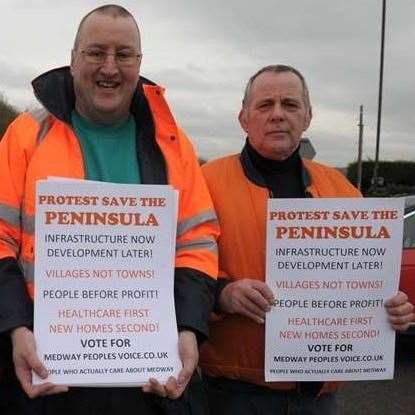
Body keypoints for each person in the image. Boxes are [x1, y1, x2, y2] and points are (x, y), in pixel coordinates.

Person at [0, 4, 219, 414]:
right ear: (72, 58)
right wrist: (14, 327)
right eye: (96, 52)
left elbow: (197, 242)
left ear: (139, 62)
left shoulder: (173, 145)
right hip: (45, 371)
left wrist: (189, 328)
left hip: (147, 382)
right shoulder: (26, 135)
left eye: (124, 55)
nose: (110, 67)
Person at [199, 64, 414, 415]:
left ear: (308, 117)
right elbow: (176, 272)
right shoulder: (204, 183)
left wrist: (392, 308)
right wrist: (223, 295)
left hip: (318, 399)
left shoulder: (342, 191)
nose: (278, 115)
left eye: (291, 104)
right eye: (265, 105)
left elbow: (367, 282)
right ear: (243, 117)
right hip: (233, 396)